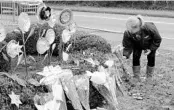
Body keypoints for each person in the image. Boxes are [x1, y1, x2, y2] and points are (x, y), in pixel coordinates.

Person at [122, 15, 162, 83]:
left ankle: (149, 77)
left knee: (151, 58)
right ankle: (136, 77)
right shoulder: (128, 33)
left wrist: (151, 49)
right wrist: (125, 55)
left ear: (138, 27)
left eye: (131, 30)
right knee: (136, 57)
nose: (130, 32)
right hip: (137, 44)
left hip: (150, 44)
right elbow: (127, 46)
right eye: (129, 30)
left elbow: (157, 39)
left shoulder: (149, 28)